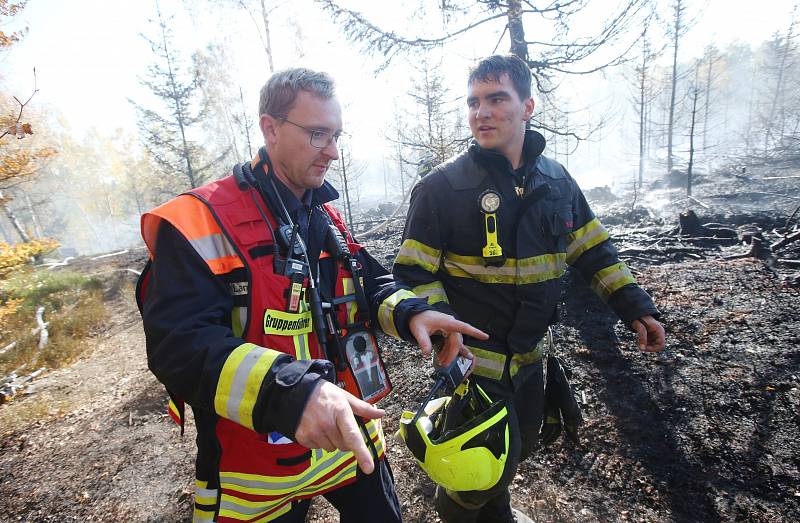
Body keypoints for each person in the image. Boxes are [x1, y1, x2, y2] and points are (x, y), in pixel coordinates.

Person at [137, 67, 487, 523]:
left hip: (345, 436)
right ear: (270, 128)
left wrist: (412, 314)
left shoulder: (322, 215)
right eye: (318, 134)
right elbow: (178, 345)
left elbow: (368, 283)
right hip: (253, 473)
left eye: (337, 135)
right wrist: (292, 394)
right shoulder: (198, 220)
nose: (334, 152)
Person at [393, 54, 666, 523]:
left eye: (497, 99)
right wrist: (445, 332)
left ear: (528, 107)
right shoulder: (442, 188)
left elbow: (593, 250)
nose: (482, 112)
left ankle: (496, 513)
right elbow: (413, 272)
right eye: (474, 101)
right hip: (475, 364)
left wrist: (633, 306)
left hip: (532, 357)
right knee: (475, 470)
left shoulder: (557, 181)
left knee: (516, 447)